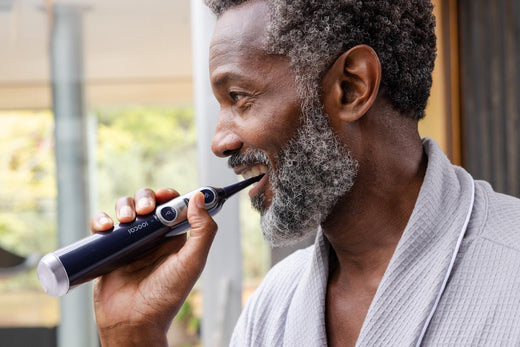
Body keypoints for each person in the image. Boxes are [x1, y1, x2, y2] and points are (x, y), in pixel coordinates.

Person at [90, 0, 520, 345]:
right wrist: (133, 334)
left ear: (350, 87)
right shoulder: (274, 306)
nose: (220, 141)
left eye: (238, 97)